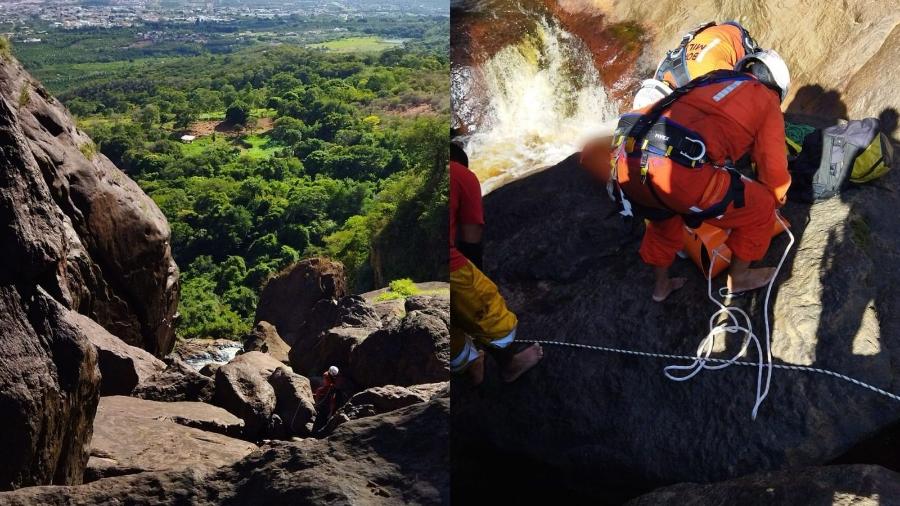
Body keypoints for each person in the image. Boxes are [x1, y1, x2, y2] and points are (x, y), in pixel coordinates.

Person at [609, 51, 792, 302]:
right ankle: (739, 278)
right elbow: (774, 171)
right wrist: (775, 203)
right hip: (677, 173)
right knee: (761, 206)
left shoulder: (714, 78)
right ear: (778, 88)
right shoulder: (766, 99)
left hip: (627, 161)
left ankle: (661, 287)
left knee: (663, 218)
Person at [449, 142, 543, 385]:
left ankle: (470, 364)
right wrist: (476, 276)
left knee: (448, 326)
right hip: (451, 264)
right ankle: (510, 365)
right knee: (491, 312)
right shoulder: (461, 174)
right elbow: (471, 237)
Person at [634, 21, 761, 109]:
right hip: (713, 34)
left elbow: (746, 98)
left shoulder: (709, 74)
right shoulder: (661, 73)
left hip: (738, 40)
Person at [312, 365, 345, 433]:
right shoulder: (332, 383)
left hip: (325, 410)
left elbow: (332, 400)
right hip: (326, 407)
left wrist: (330, 412)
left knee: (321, 422)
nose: (323, 380)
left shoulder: (331, 388)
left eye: (325, 379)